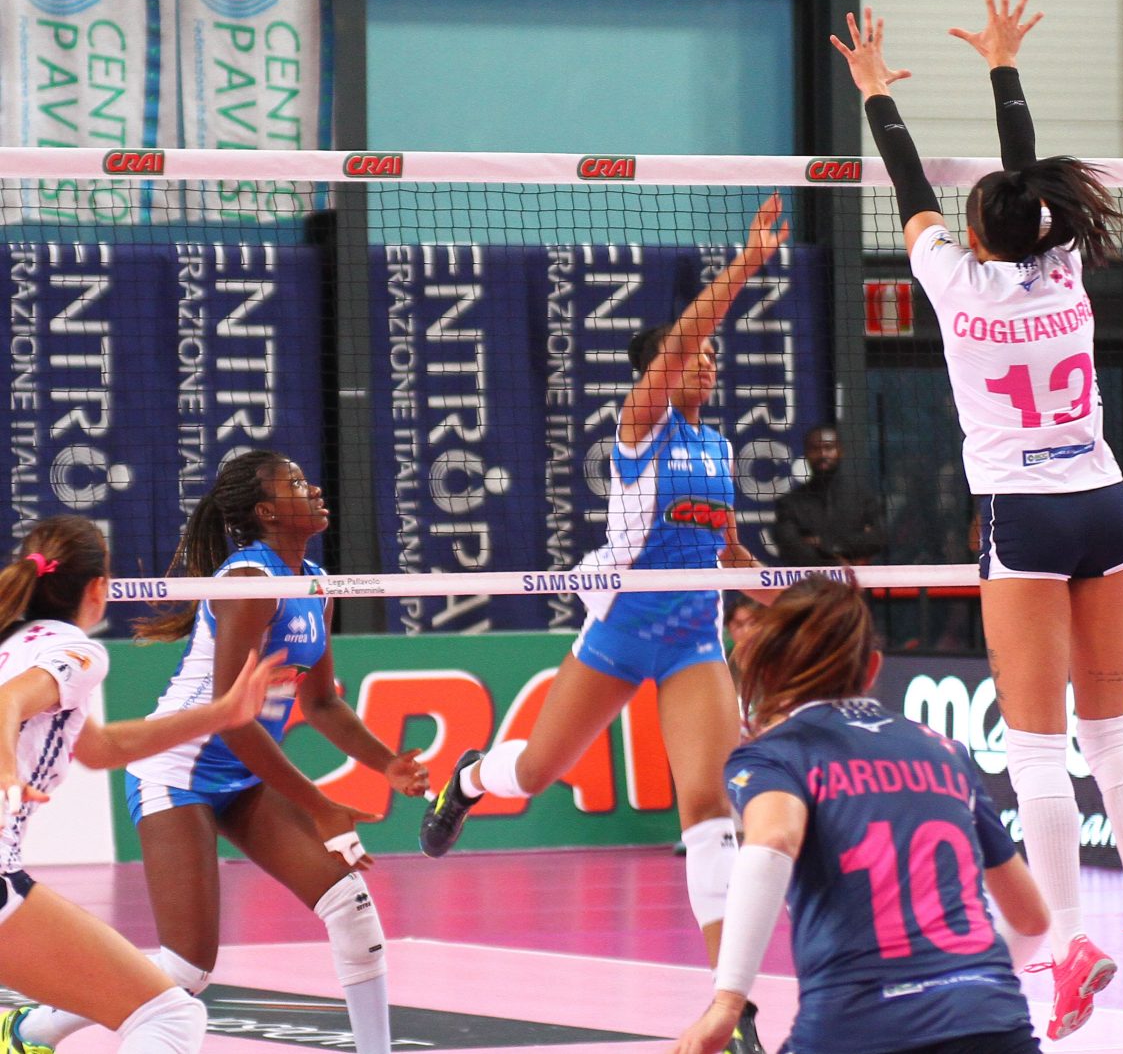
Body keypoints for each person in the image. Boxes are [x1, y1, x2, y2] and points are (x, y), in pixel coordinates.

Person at [831, 0, 1123, 1039]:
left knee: (1035, 749)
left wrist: (876, 91)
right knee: (1114, 736)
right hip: (1107, 507)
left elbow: (907, 183)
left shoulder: (953, 281)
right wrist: (1002, 66)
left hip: (1024, 518)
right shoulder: (1064, 268)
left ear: (974, 235)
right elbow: (1022, 180)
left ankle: (1071, 941)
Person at [417, 194, 786, 1054]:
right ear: (663, 367)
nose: (708, 364)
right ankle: (470, 777)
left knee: (708, 809)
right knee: (537, 769)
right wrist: (744, 266)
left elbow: (731, 552)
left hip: (695, 638)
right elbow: (686, 337)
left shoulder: (719, 450)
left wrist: (796, 596)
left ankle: (731, 1009)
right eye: (695, 355)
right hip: (619, 628)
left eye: (713, 358)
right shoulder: (639, 427)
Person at [16, 455, 429, 1054]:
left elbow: (320, 703)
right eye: (295, 484)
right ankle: (31, 1029)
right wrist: (318, 805)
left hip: (241, 776)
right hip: (177, 769)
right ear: (266, 511)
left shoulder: (314, 583)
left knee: (351, 907)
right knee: (187, 970)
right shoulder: (248, 583)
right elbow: (233, 719)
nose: (313, 488)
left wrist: (385, 762)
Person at [672, 576, 1050, 1054]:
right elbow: (1031, 919)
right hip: (994, 1021)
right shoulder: (945, 751)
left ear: (764, 670)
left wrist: (728, 1003)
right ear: (872, 668)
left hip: (857, 1026)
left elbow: (772, 842)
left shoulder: (778, 755)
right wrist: (963, 987)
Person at [1, 516, 285, 1054]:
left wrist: (221, 713)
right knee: (170, 1017)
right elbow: (7, 702)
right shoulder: (76, 650)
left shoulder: (12, 642)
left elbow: (101, 748)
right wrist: (6, 770)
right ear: (98, 588)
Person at [773, 425, 888, 566]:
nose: (822, 454)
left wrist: (825, 543)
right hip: (811, 578)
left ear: (840, 451)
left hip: (857, 578)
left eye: (829, 448)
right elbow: (789, 546)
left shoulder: (863, 497)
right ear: (806, 453)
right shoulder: (790, 503)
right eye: (815, 449)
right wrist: (836, 561)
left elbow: (878, 538)